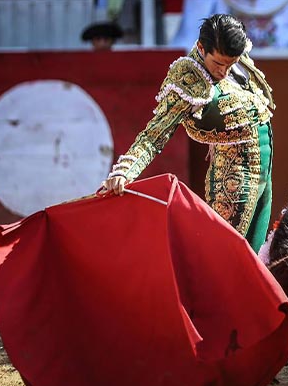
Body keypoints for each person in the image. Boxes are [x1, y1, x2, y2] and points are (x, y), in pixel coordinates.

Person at [102, 14, 275, 253]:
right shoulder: (188, 78)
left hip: (264, 169)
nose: (224, 71)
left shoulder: (234, 54)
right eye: (218, 64)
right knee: (226, 254)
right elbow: (155, 134)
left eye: (230, 64)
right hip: (234, 179)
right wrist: (124, 171)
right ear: (202, 48)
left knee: (255, 254)